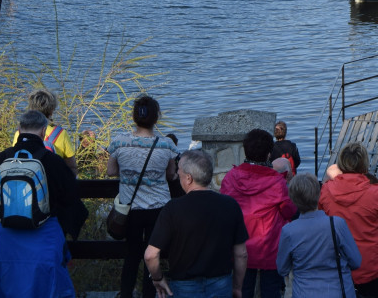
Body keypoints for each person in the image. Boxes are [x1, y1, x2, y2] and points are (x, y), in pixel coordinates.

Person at [0, 111, 88, 297]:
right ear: (43, 131)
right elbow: (70, 195)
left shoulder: (1, 159)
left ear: (19, 129)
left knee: (8, 283)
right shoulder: (52, 161)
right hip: (44, 235)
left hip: (8, 234)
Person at [144, 150, 249, 298]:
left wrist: (157, 278)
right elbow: (241, 254)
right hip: (221, 283)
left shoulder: (172, 209)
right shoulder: (230, 205)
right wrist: (237, 287)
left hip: (183, 286)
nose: (177, 174)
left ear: (188, 178)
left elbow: (150, 255)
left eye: (179, 171)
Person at [106, 95, 179, 298]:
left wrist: (129, 171)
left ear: (134, 117)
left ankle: (127, 293)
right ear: (156, 118)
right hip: (159, 209)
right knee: (153, 255)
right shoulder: (166, 145)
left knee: (132, 255)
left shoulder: (119, 142)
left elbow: (111, 171)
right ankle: (150, 294)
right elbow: (171, 174)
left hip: (131, 209)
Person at [220, 129, 296, 298]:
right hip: (268, 247)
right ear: (269, 154)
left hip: (239, 246)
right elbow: (289, 211)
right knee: (271, 291)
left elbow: (224, 209)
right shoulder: (276, 181)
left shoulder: (231, 177)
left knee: (242, 290)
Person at [318, 142, 378, 298]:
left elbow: (322, 220)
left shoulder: (326, 189)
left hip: (339, 260)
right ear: (364, 164)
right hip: (372, 261)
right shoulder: (375, 192)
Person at [276, 173, 361, 298]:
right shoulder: (337, 224)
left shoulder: (288, 231)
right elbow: (356, 261)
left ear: (293, 200)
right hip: (338, 291)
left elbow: (282, 269)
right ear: (318, 194)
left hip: (304, 293)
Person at [16, 90, 78, 175]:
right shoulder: (61, 134)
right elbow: (72, 167)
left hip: (26, 185)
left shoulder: (20, 134)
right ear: (51, 111)